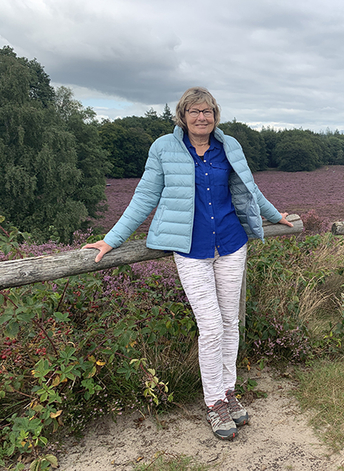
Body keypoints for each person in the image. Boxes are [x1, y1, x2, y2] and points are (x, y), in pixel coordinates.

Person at [83, 86, 293, 440]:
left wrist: (275, 215)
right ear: (183, 115)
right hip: (190, 249)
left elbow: (249, 188)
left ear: (215, 116)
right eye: (194, 111)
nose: (202, 117)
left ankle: (228, 392)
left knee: (230, 323)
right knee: (211, 328)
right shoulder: (164, 147)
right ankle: (214, 404)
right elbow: (145, 195)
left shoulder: (229, 146)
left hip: (230, 243)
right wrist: (112, 239)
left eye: (207, 111)